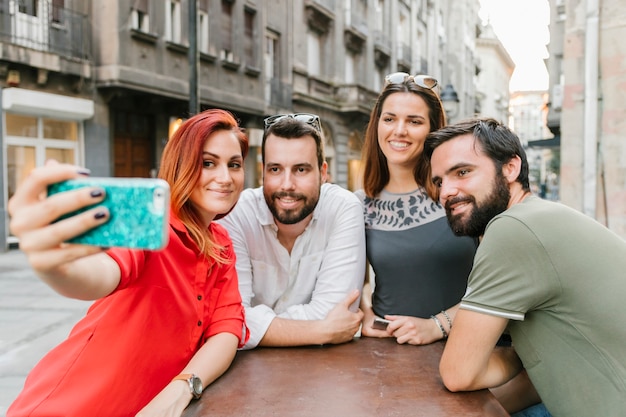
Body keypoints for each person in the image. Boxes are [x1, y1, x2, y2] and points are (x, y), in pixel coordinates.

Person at [7, 109, 250, 417]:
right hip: (71, 405)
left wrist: (181, 389)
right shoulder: (151, 225)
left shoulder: (221, 243)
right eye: (208, 163)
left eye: (235, 165)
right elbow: (104, 271)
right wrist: (57, 265)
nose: (225, 178)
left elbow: (226, 331)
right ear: (181, 165)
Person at [425, 117, 626, 417]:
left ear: (510, 168)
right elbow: (536, 382)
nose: (445, 193)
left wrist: (517, 358)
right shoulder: (542, 215)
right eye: (439, 181)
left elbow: (457, 373)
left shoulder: (513, 229)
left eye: (463, 172)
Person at [217, 113, 365, 349]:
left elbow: (336, 310)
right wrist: (321, 330)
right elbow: (230, 320)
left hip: (325, 370)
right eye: (275, 169)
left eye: (301, 170)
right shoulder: (237, 213)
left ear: (323, 173)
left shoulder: (343, 208)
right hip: (247, 373)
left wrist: (255, 326)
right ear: (262, 171)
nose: (287, 184)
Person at [355, 72, 477, 345]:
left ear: (433, 130)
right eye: (389, 119)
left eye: (414, 121)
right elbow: (357, 284)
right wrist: (365, 315)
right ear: (377, 125)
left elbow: (497, 286)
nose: (399, 130)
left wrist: (436, 326)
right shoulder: (358, 205)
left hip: (464, 348)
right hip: (387, 352)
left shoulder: (461, 193)